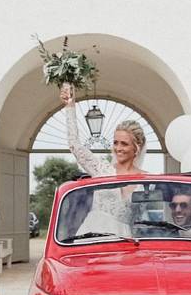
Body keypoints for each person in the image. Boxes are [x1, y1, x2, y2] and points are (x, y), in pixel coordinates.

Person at [60, 84, 146, 236]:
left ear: (136, 148)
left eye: (124, 144)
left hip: (125, 239)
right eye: (115, 142)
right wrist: (70, 106)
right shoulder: (101, 169)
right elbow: (74, 145)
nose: (118, 148)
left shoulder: (147, 180)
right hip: (93, 236)